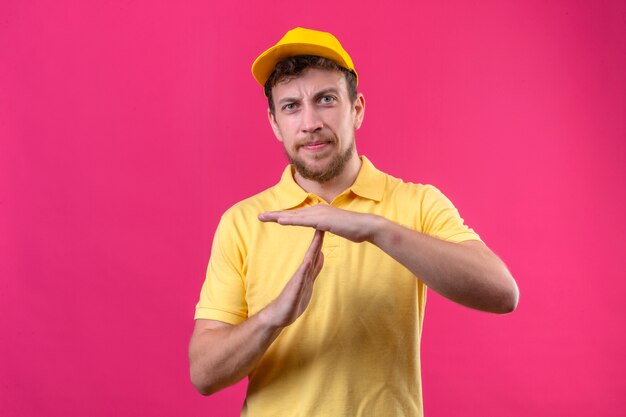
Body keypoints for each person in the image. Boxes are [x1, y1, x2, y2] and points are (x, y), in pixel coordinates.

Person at [189, 27, 518, 417]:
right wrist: (274, 317)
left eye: (325, 100)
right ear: (275, 123)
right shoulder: (243, 222)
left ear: (356, 109)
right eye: (291, 106)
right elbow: (204, 373)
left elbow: (502, 293)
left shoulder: (416, 202)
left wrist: (374, 228)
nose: (310, 122)